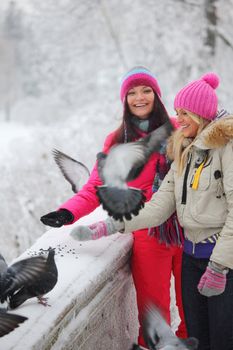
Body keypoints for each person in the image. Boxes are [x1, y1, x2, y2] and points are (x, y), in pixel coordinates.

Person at [82, 72, 233, 350]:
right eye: (177, 112)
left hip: (221, 262)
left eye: (185, 113)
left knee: (223, 339)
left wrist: (219, 266)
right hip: (192, 257)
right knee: (198, 339)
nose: (180, 119)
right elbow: (159, 206)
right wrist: (112, 225)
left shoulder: (227, 148)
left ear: (201, 114)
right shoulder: (184, 149)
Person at [40, 66, 187, 347]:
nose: (139, 97)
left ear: (156, 94)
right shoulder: (117, 141)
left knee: (193, 306)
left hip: (188, 231)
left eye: (146, 90)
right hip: (148, 233)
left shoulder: (180, 128)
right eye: (131, 93)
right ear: (124, 100)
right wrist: (67, 212)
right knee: (153, 312)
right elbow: (96, 186)